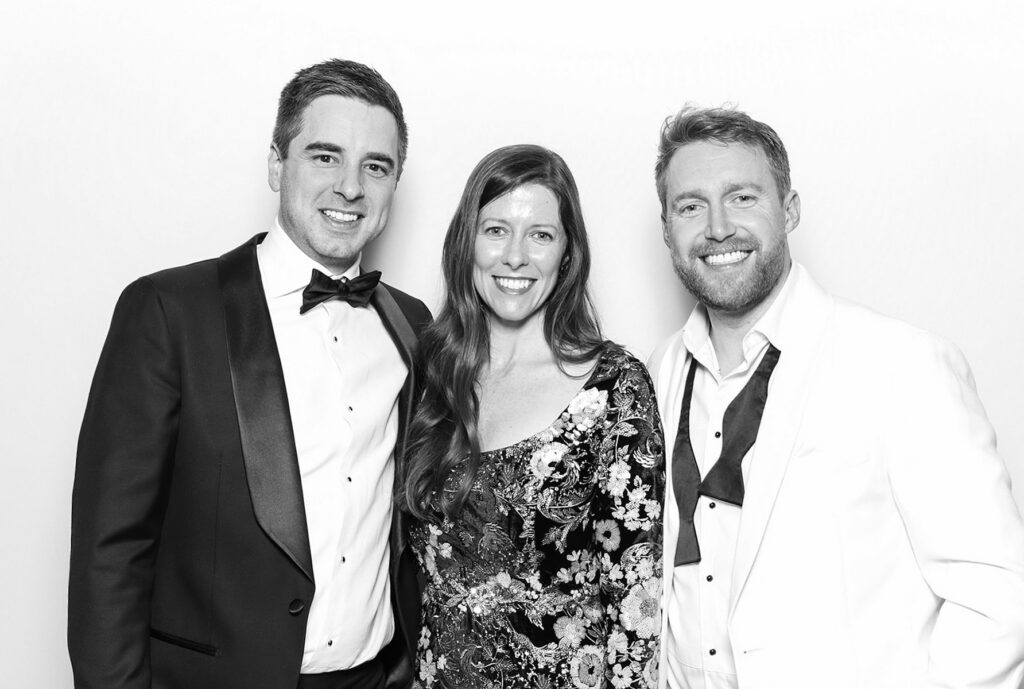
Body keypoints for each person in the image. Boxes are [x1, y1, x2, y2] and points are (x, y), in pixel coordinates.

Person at [68, 59, 431, 689]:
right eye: (324, 156)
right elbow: (110, 553)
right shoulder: (168, 312)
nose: (351, 188)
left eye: (376, 166)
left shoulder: (412, 324)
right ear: (275, 164)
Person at [649, 105, 1024, 689]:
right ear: (668, 229)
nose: (718, 226)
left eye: (743, 197)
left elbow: (998, 599)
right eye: (690, 205)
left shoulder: (900, 364)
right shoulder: (655, 375)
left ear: (790, 209)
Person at [401, 144, 664, 688]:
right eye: (496, 229)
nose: (515, 256)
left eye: (540, 235)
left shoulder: (613, 386)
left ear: (567, 254)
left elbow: (634, 604)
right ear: (466, 242)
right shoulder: (429, 372)